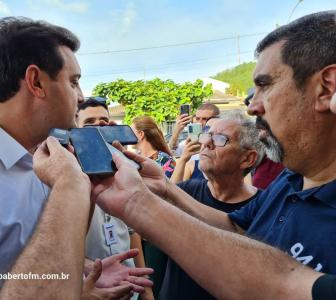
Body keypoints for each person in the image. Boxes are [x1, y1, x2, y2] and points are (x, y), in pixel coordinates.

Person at [90, 10, 336, 299]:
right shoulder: (289, 181)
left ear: (327, 87)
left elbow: (281, 284)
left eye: (265, 85)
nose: (254, 107)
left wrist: (136, 203)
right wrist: (165, 188)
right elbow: (239, 229)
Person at [0, 17, 152, 300]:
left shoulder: (50, 157)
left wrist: (82, 272)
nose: (81, 96)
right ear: (36, 82)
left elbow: (18, 259)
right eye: (74, 82)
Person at [160, 114, 262, 300]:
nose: (206, 143)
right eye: (208, 135)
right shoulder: (185, 191)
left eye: (221, 139)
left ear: (247, 159)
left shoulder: (264, 208)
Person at [77, 99, 150, 300]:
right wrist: (92, 268)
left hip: (131, 290)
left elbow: (131, 233)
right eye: (90, 122)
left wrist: (146, 290)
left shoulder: (125, 170)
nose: (100, 125)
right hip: (91, 291)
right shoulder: (66, 177)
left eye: (104, 120)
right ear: (75, 130)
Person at [130, 115, 176, 298]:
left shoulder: (164, 160)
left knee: (153, 284)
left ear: (140, 135)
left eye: (130, 130)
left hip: (155, 233)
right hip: (136, 232)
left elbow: (162, 196)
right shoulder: (134, 158)